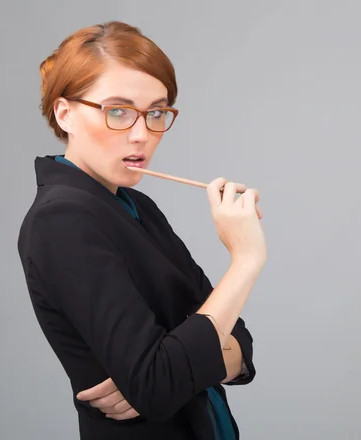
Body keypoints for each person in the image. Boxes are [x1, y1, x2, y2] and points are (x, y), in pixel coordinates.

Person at [16, 21, 266, 440]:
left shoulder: (137, 206)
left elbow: (241, 346)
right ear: (65, 113)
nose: (141, 134)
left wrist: (176, 369)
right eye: (117, 111)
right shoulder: (61, 220)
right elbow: (158, 383)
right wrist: (245, 261)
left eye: (156, 112)